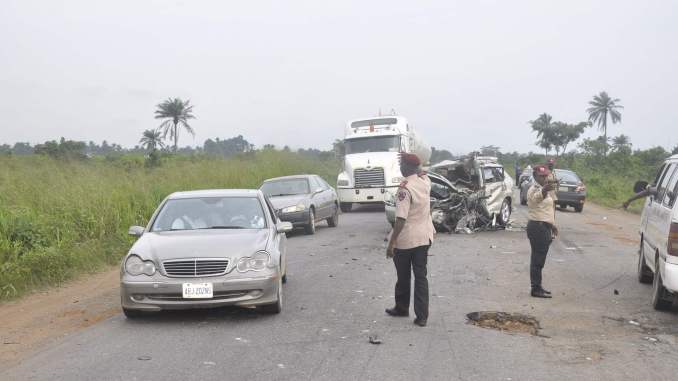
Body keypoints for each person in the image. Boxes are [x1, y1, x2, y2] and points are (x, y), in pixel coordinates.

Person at [386, 152, 435, 327]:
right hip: (425, 237)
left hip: (406, 240)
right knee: (421, 276)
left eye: (402, 165)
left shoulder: (404, 189)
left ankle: (401, 308)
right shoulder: (425, 182)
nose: (400, 168)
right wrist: (418, 168)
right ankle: (422, 316)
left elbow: (400, 219)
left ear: (407, 167)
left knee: (403, 275)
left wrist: (392, 242)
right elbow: (422, 171)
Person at [526, 165, 558, 298]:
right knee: (537, 260)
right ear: (535, 176)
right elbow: (535, 200)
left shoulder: (547, 189)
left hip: (544, 226)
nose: (544, 178)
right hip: (537, 227)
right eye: (541, 176)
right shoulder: (533, 189)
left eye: (546, 176)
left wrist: (553, 225)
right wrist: (544, 190)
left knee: (539, 259)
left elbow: (548, 209)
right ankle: (535, 288)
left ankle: (538, 286)